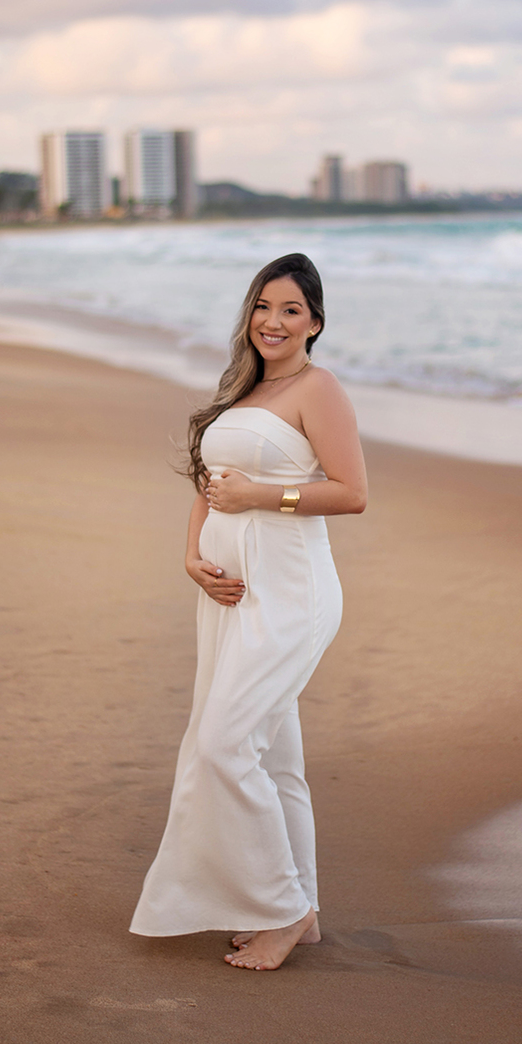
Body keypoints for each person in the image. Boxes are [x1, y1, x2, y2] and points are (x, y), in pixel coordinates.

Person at [130, 252, 367, 970]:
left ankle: (282, 909)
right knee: (277, 759)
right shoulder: (242, 391)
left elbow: (351, 492)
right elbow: (211, 481)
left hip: (293, 595)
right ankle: (307, 907)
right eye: (264, 306)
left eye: (291, 310)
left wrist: (262, 497)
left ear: (315, 323)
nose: (273, 320)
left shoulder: (317, 389)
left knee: (224, 746)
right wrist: (191, 552)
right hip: (233, 597)